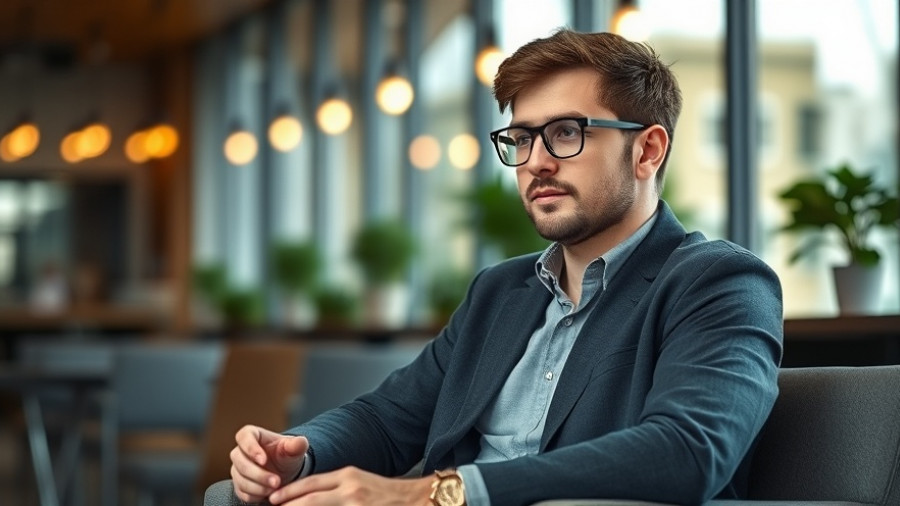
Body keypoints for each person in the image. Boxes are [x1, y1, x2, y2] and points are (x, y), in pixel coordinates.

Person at [229, 29, 783, 506]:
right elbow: (386, 418)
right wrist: (296, 452)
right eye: (522, 138)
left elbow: (689, 450)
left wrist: (444, 491)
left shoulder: (718, 282)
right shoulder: (499, 292)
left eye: (567, 132)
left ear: (646, 151)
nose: (536, 160)